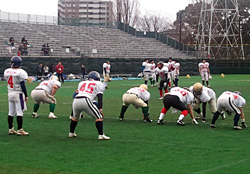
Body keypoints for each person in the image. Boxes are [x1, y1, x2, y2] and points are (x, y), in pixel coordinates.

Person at [69, 71, 110, 140]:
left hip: (76, 100)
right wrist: (100, 108)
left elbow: (76, 93)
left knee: (75, 118)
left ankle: (71, 133)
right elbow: (100, 97)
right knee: (99, 117)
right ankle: (101, 135)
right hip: (86, 99)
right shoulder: (99, 84)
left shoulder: (82, 82)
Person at [4, 56, 29, 136]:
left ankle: (10, 129)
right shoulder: (21, 72)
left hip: (10, 92)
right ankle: (20, 130)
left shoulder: (7, 71)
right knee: (19, 112)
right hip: (18, 93)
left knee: (11, 112)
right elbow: (22, 84)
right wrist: (26, 95)